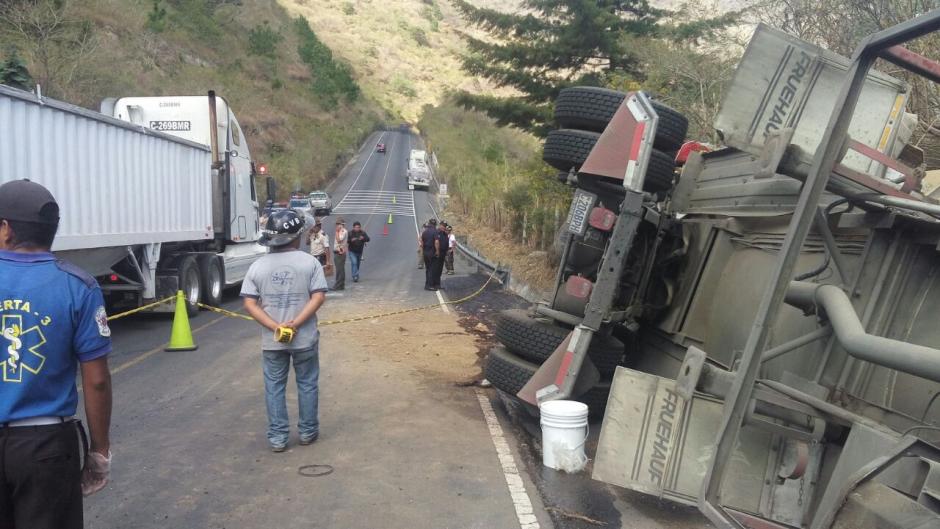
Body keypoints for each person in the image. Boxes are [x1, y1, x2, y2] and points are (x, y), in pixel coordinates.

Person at [0, 180, 113, 529]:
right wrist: (99, 450)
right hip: (46, 447)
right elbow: (96, 382)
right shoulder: (78, 286)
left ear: (5, 230)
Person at [241, 209, 328, 452]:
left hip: (273, 341)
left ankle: (278, 438)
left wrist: (275, 327)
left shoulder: (257, 267)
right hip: (305, 339)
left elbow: (249, 303)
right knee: (307, 383)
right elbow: (318, 297)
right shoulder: (310, 263)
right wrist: (296, 323)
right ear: (296, 236)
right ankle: (308, 432)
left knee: (274, 387)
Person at [421, 219, 440, 291]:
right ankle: (430, 285)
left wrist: (423, 251)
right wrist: (437, 251)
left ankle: (427, 284)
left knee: (428, 268)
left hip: (426, 252)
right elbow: (437, 242)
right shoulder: (435, 231)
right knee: (432, 269)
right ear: (435, 224)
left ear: (429, 224)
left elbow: (422, 242)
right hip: (432, 252)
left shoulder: (425, 232)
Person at [431, 220, 449, 289]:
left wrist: (446, 251)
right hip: (437, 254)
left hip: (443, 254)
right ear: (440, 225)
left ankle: (438, 284)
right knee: (435, 269)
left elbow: (446, 243)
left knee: (440, 270)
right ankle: (433, 284)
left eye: (445, 226)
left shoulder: (445, 234)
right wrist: (436, 251)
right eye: (443, 226)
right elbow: (434, 243)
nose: (444, 227)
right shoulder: (436, 232)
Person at [333, 218, 348, 291]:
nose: (336, 226)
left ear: (341, 225)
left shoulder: (342, 231)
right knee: (340, 269)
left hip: (340, 252)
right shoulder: (341, 231)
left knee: (340, 270)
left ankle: (338, 285)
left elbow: (339, 240)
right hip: (339, 252)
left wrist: (336, 232)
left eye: (338, 224)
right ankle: (341, 285)